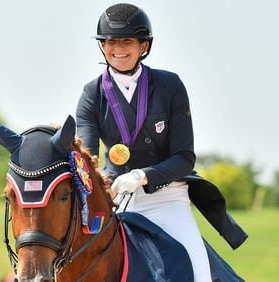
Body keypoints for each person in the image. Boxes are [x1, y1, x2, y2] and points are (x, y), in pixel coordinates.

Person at [75, 3, 213, 281]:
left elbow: (185, 157)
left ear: (144, 45)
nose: (118, 48)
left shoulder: (169, 86)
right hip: (119, 200)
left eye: (127, 41)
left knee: (200, 274)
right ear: (102, 46)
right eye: (111, 41)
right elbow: (86, 160)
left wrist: (141, 176)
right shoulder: (92, 94)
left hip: (168, 198)